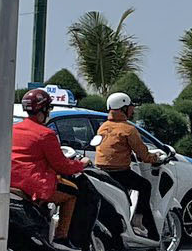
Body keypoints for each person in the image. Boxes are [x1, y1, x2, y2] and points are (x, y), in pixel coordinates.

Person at [9, 87, 84, 239]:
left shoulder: (13, 129)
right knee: (72, 194)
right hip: (32, 183)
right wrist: (82, 164)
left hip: (8, 180)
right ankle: (61, 237)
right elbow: (61, 165)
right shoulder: (45, 134)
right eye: (48, 108)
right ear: (43, 109)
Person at [92, 91, 170, 236]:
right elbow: (144, 155)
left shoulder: (103, 127)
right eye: (130, 107)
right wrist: (156, 158)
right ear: (123, 109)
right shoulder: (128, 129)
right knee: (145, 186)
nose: (132, 110)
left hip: (100, 170)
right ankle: (138, 221)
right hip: (119, 172)